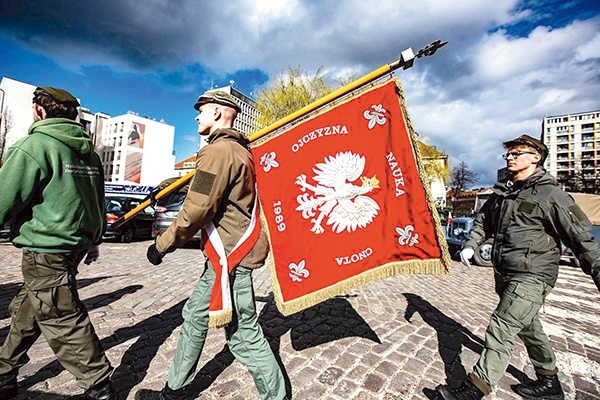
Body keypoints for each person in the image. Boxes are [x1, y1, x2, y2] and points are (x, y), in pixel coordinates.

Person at [135, 91, 287, 400]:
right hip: (229, 255)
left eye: (201, 111)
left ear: (218, 113)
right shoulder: (239, 151)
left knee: (243, 334)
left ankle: (276, 396)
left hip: (230, 257)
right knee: (195, 316)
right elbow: (210, 190)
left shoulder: (216, 153)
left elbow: (196, 209)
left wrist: (161, 245)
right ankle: (174, 391)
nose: (196, 117)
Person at [436, 134, 600, 400]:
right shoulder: (504, 192)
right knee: (528, 327)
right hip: (505, 272)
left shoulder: (553, 195)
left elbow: (582, 239)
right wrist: (470, 244)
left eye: (517, 153)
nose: (510, 157)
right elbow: (482, 221)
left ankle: (474, 390)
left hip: (534, 275)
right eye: (508, 154)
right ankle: (550, 382)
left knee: (502, 325)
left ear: (536, 157)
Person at [0, 87, 118, 399]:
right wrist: (93, 239)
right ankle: (3, 371)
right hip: (73, 246)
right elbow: (98, 201)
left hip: (46, 248)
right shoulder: (88, 153)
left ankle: (99, 385)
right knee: (29, 309)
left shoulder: (34, 146)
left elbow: (3, 199)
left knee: (61, 315)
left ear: (39, 110)